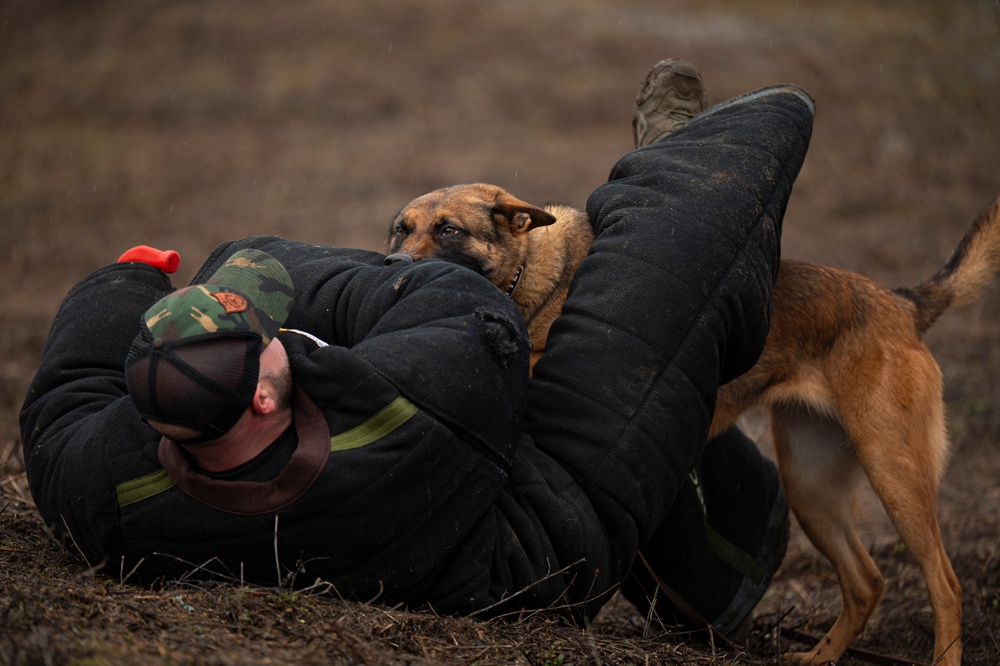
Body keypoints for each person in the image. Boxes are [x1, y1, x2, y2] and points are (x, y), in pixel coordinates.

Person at [19, 60, 814, 643]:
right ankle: (680, 153)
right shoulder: (404, 404)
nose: (281, 337)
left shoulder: (112, 484)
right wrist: (364, 289)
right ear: (266, 397)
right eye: (268, 343)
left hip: (431, 525)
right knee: (664, 270)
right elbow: (472, 325)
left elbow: (61, 411)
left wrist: (123, 286)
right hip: (531, 545)